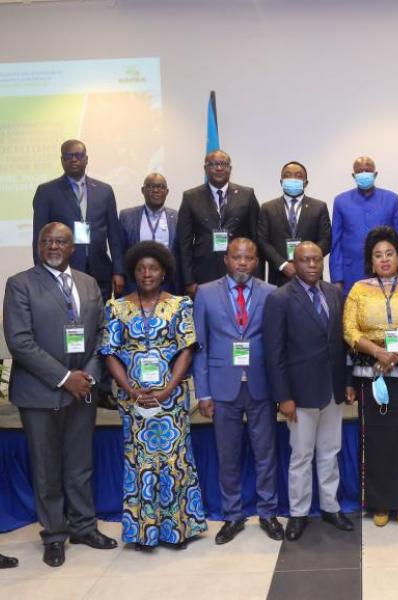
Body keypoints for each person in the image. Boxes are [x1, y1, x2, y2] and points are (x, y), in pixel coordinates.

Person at [4, 222, 116, 567]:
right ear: (39, 246)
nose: (53, 246)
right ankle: (54, 535)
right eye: (47, 241)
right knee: (46, 468)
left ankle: (83, 526)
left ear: (72, 248)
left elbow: (102, 335)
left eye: (61, 241)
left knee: (80, 465)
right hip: (39, 394)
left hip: (83, 390)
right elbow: (20, 342)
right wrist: (65, 377)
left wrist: (89, 377)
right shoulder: (20, 284)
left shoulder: (88, 284)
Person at [100, 241, 206, 551]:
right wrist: (132, 390)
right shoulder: (116, 307)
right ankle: (144, 532)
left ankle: (176, 530)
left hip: (170, 398)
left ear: (164, 273)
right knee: (140, 463)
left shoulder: (179, 304)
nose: (147, 273)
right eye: (141, 268)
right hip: (133, 400)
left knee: (175, 462)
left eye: (153, 269)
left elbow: (187, 347)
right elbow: (109, 352)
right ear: (134, 272)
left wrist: (169, 388)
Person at [193, 238, 284, 544]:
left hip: (261, 386)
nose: (242, 263)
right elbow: (200, 347)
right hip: (222, 387)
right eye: (236, 257)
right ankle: (232, 516)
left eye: (248, 258)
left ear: (257, 261)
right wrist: (202, 393)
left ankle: (268, 512)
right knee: (228, 455)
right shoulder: (205, 294)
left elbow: (276, 345)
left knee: (266, 453)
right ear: (226, 260)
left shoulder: (271, 293)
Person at [343, 226, 398, 526]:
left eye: (390, 254)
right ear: (370, 261)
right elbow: (349, 330)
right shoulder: (358, 289)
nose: (384, 260)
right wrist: (378, 352)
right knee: (375, 438)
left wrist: (397, 353)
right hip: (371, 370)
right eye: (378, 255)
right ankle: (379, 503)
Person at [265, 242, 355, 541]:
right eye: (305, 260)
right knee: (301, 456)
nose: (313, 265)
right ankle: (299, 513)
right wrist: (283, 397)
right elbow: (274, 353)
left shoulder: (333, 293)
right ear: (294, 262)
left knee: (330, 452)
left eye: (317, 259)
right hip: (299, 394)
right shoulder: (280, 298)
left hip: (332, 388)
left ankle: (331, 508)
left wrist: (349, 382)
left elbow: (341, 344)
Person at [31, 139, 125, 300]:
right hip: (62, 270)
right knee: (68, 320)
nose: (74, 159)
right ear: (62, 160)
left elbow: (114, 235)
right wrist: (42, 273)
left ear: (86, 159)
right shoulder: (47, 191)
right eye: (68, 156)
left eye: (78, 155)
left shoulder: (104, 190)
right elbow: (39, 237)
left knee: (98, 320)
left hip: (100, 271)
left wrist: (118, 270)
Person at [177, 149, 260, 297]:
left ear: (230, 168)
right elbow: (184, 244)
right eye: (214, 164)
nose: (219, 168)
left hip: (240, 271)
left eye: (223, 164)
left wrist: (256, 277)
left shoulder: (247, 195)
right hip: (204, 272)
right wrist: (189, 281)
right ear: (205, 168)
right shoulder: (191, 197)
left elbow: (256, 239)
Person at [331, 156, 398, 294]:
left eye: (367, 170)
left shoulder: (392, 199)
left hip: (386, 273)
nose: (363, 174)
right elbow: (335, 242)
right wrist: (337, 278)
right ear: (353, 175)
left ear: (375, 174)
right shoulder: (340, 201)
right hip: (351, 273)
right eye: (359, 171)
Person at [257, 161, 332, 287]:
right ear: (281, 182)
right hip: (278, 276)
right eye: (288, 175)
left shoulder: (319, 207)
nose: (293, 179)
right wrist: (283, 265)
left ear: (306, 182)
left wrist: (307, 262)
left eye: (298, 176)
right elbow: (262, 241)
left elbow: (326, 240)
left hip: (311, 275)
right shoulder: (267, 208)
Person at [118, 173, 181, 293]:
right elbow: (120, 250)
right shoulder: (127, 216)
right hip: (135, 283)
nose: (156, 190)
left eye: (161, 187)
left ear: (167, 191)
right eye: (151, 187)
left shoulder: (177, 218)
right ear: (143, 190)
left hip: (168, 284)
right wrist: (119, 273)